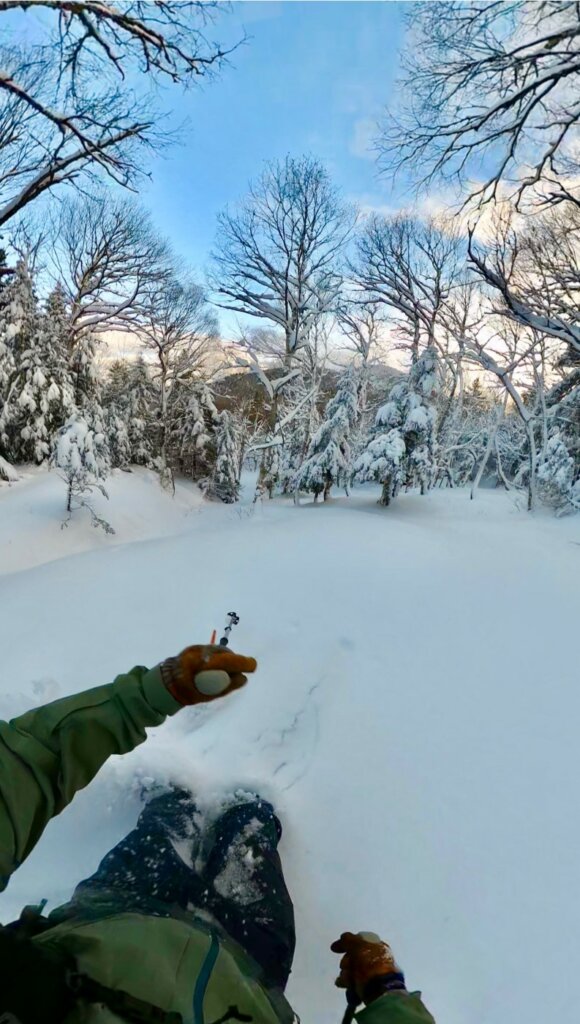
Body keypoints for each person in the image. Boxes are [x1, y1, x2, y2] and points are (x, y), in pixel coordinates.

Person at [0, 643, 436, 1023]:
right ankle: (238, 813)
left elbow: (15, 774)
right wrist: (386, 991)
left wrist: (144, 698)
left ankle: (177, 802)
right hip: (247, 968)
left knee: (167, 820)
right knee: (252, 828)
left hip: (114, 913)